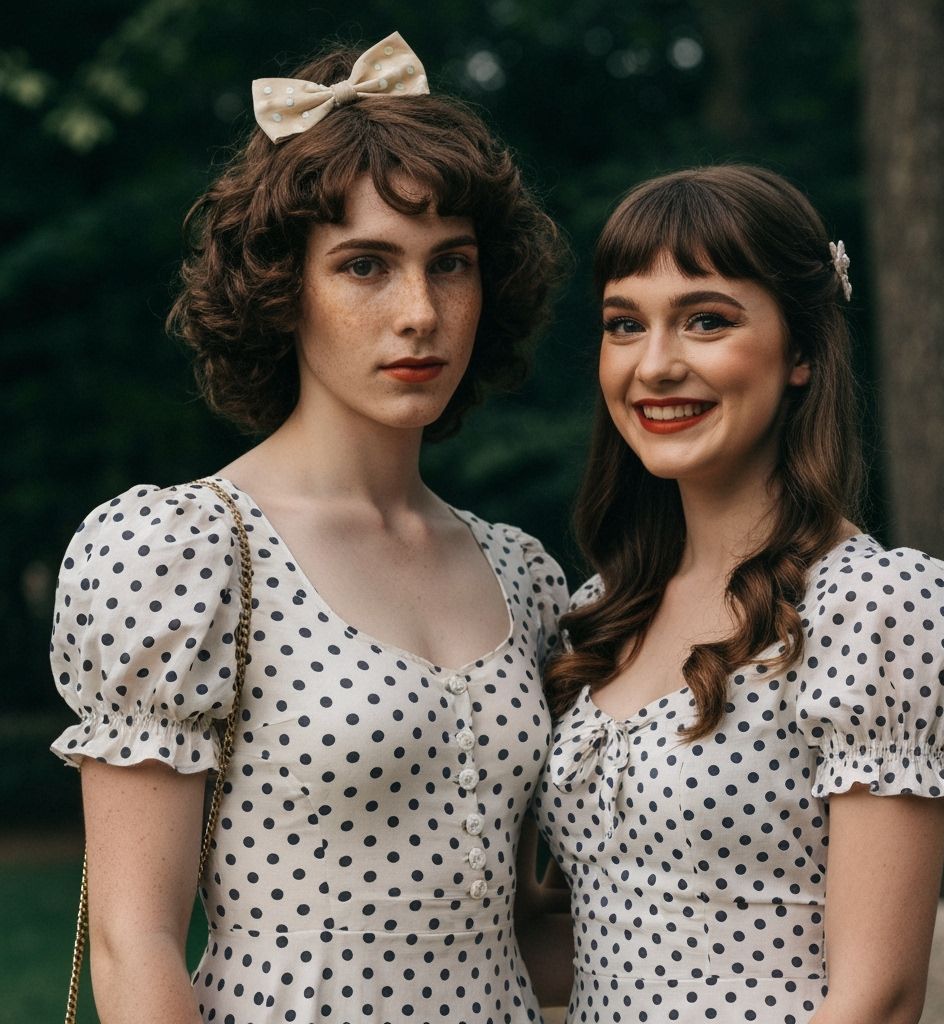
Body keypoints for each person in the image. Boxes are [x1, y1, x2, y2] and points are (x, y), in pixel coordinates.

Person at [50, 32, 569, 1024]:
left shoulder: (523, 574)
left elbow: (521, 929)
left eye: (448, 265)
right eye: (366, 266)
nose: (419, 312)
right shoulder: (186, 554)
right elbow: (134, 944)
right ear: (284, 290)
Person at [535, 165, 944, 1024]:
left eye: (706, 321)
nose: (656, 365)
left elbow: (879, 997)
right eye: (624, 325)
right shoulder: (603, 607)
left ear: (800, 351)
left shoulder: (879, 606)